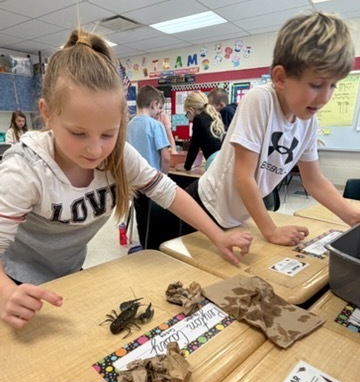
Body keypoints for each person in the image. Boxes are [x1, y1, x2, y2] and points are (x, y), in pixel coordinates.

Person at [0, 28, 252, 329]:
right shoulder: (25, 168)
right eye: (78, 133)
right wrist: (6, 293)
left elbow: (168, 192)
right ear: (48, 114)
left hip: (71, 274)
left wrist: (218, 235)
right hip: (14, 280)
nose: (95, 150)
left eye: (108, 133)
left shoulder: (119, 155)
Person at [183, 11, 360, 245]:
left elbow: (314, 180)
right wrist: (270, 231)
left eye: (333, 86)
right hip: (204, 208)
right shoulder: (260, 100)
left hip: (236, 216)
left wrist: (353, 217)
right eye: (317, 85)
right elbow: (243, 177)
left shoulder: (309, 121)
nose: (325, 97)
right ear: (280, 78)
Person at [127, 85, 171, 247]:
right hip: (154, 183)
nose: (159, 111)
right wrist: (164, 178)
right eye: (159, 107)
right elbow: (165, 157)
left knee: (142, 219)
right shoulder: (156, 125)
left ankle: (145, 248)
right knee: (158, 221)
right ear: (153, 104)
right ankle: (157, 249)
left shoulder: (129, 126)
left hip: (136, 184)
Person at [177, 91, 225, 171]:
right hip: (223, 159)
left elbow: (194, 147)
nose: (188, 117)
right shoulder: (214, 116)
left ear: (191, 110)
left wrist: (186, 167)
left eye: (187, 113)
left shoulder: (198, 119)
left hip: (214, 162)